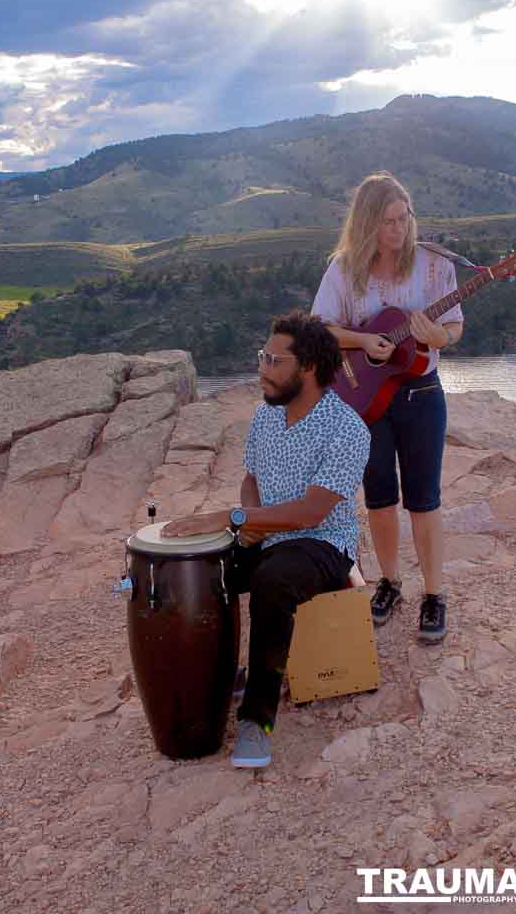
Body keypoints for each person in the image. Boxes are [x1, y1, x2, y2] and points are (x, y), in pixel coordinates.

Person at [162, 311, 370, 769]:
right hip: (267, 531)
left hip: (322, 543)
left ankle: (258, 720)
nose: (262, 369)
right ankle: (218, 676)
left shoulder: (348, 429)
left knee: (274, 581)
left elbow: (312, 511)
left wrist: (235, 518)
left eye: (274, 361)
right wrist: (248, 521)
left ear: (308, 368)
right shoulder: (266, 416)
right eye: (263, 357)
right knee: (201, 567)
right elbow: (251, 479)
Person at [311, 172, 463, 640]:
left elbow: (454, 328)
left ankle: (434, 594)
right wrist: (364, 340)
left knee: (424, 498)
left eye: (405, 217)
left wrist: (439, 337)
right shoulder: (343, 268)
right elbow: (319, 327)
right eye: (388, 221)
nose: (400, 229)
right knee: (378, 496)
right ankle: (390, 583)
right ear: (367, 225)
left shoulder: (436, 266)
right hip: (364, 399)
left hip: (422, 395)